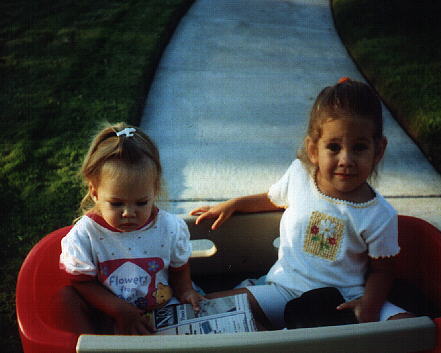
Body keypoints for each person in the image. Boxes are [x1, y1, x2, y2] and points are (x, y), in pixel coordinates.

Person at [190, 78, 412, 330]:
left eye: (359, 147)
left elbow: (382, 271)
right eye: (334, 147)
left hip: (344, 300)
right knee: (203, 309)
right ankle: (274, 333)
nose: (346, 159)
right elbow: (272, 199)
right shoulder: (299, 176)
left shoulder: (378, 214)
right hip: (285, 288)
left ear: (378, 150)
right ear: (313, 149)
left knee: (409, 327)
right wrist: (234, 204)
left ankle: (281, 335)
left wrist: (369, 306)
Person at [58, 122, 204, 335]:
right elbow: (82, 283)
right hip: (112, 315)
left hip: (163, 310)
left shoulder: (170, 227)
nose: (129, 212)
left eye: (141, 203)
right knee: (64, 300)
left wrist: (186, 290)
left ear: (154, 190)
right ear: (95, 192)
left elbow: (178, 268)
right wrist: (119, 310)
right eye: (117, 204)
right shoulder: (85, 235)